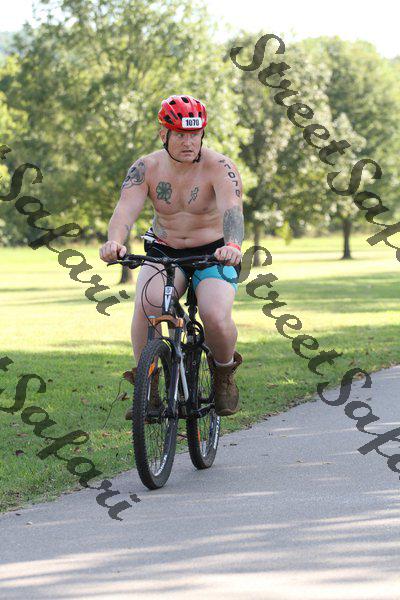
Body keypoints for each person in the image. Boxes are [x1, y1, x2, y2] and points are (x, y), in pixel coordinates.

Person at [99, 94, 244, 418]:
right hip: (165, 249)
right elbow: (124, 210)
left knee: (214, 314)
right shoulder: (146, 168)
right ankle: (147, 384)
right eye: (180, 134)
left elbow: (232, 211)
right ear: (163, 134)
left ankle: (223, 372)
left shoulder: (220, 167)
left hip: (214, 252)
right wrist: (115, 242)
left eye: (194, 134)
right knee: (148, 304)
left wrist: (233, 245)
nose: (188, 142)